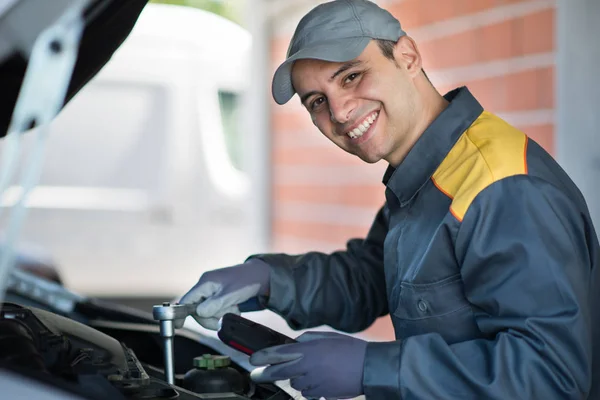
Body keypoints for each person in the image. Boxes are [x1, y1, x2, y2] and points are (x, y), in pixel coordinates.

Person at [181, 0, 600, 398]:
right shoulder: (429, 173)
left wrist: (372, 369)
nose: (340, 112)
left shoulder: (502, 188)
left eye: (351, 76)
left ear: (408, 56)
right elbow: (371, 278)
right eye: (318, 102)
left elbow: (549, 375)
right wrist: (269, 280)